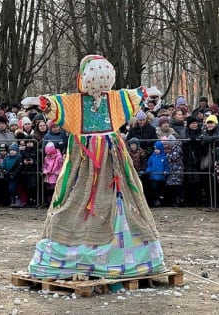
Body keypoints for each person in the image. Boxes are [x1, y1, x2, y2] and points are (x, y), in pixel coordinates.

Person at [27, 55, 167, 279]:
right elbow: (58, 104)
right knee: (77, 197)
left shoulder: (114, 100)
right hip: (84, 160)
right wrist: (43, 102)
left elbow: (131, 96)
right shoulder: (77, 103)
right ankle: (80, 249)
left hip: (113, 159)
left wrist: (145, 92)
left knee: (120, 197)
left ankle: (121, 253)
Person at [145, 140, 169, 207]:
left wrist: (166, 171)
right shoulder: (152, 157)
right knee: (153, 189)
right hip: (153, 177)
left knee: (161, 191)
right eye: (155, 149)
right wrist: (148, 170)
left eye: (158, 149)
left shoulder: (164, 158)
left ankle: (161, 201)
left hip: (161, 178)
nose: (156, 150)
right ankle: (155, 201)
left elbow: (166, 166)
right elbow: (149, 165)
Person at [42, 141, 63, 206]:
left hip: (55, 176)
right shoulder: (46, 158)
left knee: (54, 189)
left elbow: (61, 167)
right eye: (48, 154)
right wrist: (45, 171)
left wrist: (57, 172)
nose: (49, 155)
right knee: (48, 190)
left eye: (51, 154)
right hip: (48, 176)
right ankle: (49, 203)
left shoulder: (59, 157)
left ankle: (54, 203)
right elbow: (44, 166)